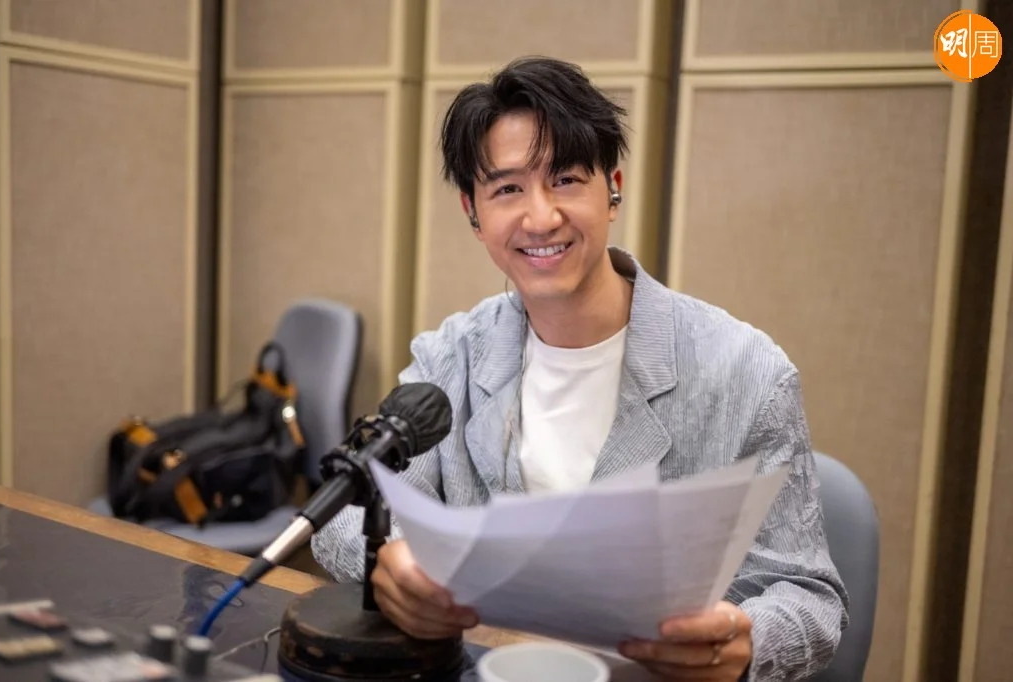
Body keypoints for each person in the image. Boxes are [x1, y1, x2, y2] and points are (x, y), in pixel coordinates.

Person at [312, 56, 848, 681]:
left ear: (612, 189)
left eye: (565, 179)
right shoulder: (452, 355)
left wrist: (748, 644)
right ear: (473, 213)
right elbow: (344, 512)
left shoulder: (746, 373)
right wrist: (391, 561)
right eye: (507, 189)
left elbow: (811, 598)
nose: (541, 218)